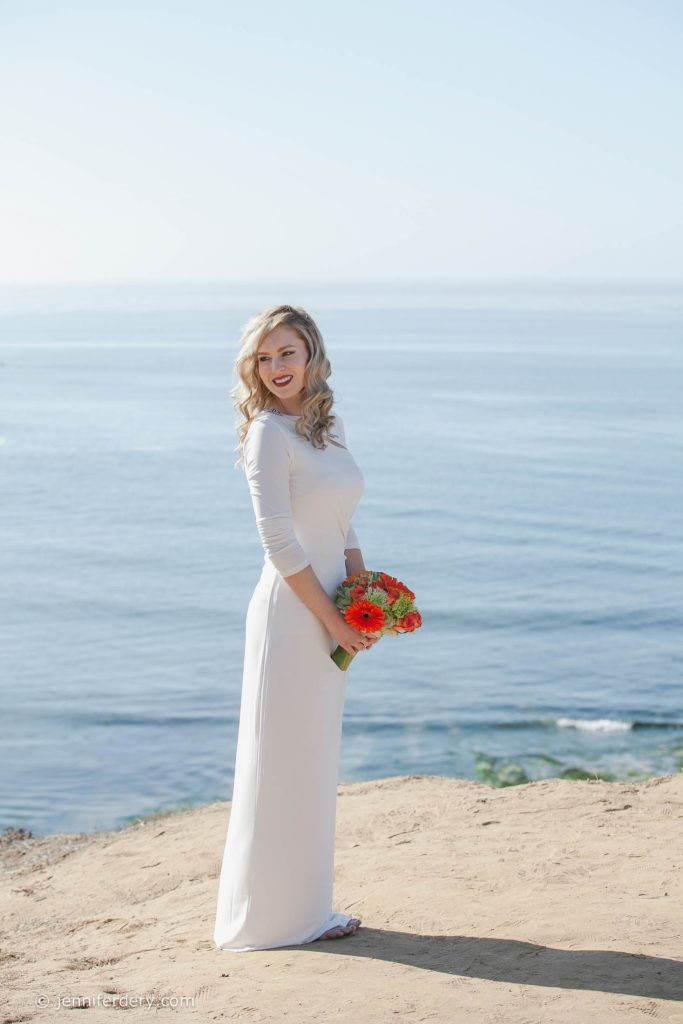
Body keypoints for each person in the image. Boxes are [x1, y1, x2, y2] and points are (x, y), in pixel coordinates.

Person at [213, 304, 377, 952]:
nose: (276, 368)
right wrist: (334, 618)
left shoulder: (323, 427)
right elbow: (280, 543)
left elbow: (342, 520)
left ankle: (306, 909)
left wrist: (365, 588)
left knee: (311, 758)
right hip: (294, 617)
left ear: (310, 354)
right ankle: (266, 922)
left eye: (286, 353)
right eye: (264, 357)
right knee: (277, 759)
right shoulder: (265, 435)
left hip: (333, 608)